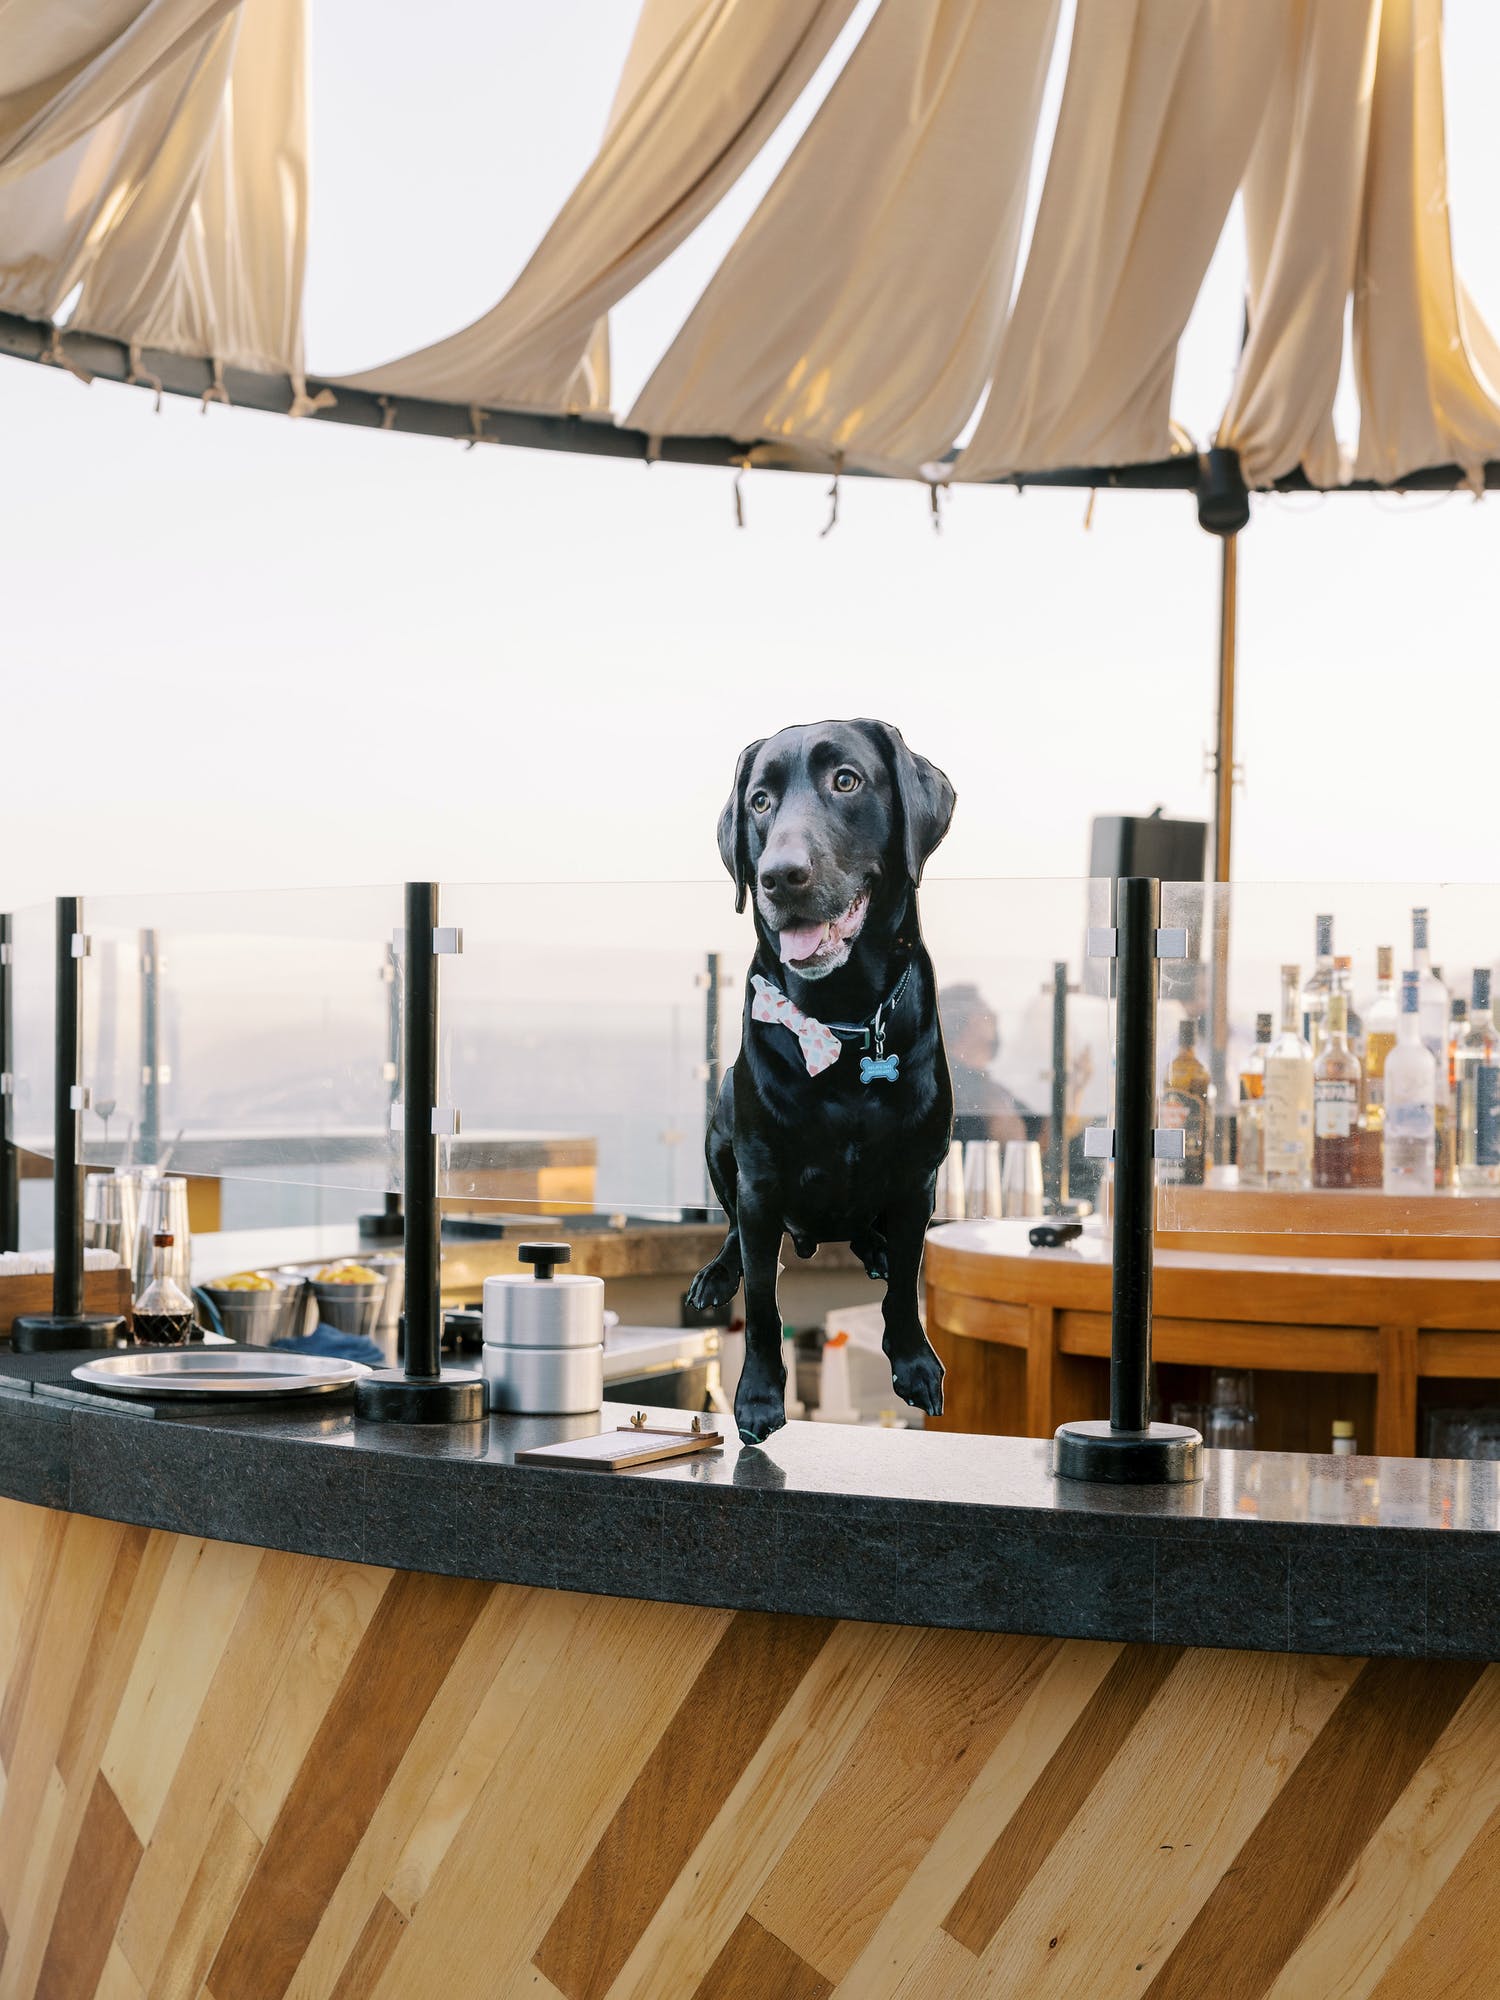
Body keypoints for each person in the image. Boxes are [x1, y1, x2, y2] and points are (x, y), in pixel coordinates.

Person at [938, 984, 1027, 1146]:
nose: (994, 1016)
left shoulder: (990, 1088)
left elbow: (1040, 1136)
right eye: (983, 1012)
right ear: (964, 1023)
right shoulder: (948, 1084)